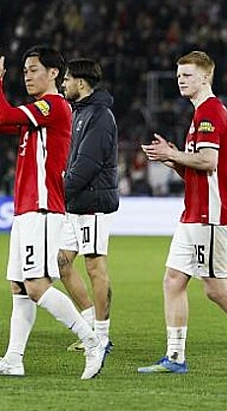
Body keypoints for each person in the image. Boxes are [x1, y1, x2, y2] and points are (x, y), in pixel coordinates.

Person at [137, 51, 227, 377]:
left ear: (206, 77)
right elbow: (197, 170)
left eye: (187, 75)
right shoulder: (200, 114)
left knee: (215, 288)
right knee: (173, 280)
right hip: (194, 212)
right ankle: (175, 357)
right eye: (178, 75)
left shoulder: (210, 112)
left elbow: (208, 161)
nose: (180, 80)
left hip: (210, 213)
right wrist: (172, 159)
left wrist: (174, 153)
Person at [0, 46, 109, 379]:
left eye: (34, 69)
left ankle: (92, 342)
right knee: (20, 288)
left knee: (36, 286)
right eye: (25, 70)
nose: (27, 76)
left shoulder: (53, 105)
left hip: (43, 208)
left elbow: (4, 117)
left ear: (53, 73)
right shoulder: (38, 112)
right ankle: (13, 359)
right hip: (26, 209)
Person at [58, 58, 118, 352]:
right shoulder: (79, 112)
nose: (63, 84)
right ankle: (90, 326)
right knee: (61, 263)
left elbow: (87, 164)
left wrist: (60, 191)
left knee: (95, 267)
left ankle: (102, 337)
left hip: (92, 204)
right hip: (76, 203)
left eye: (67, 79)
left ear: (81, 83)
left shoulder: (100, 115)